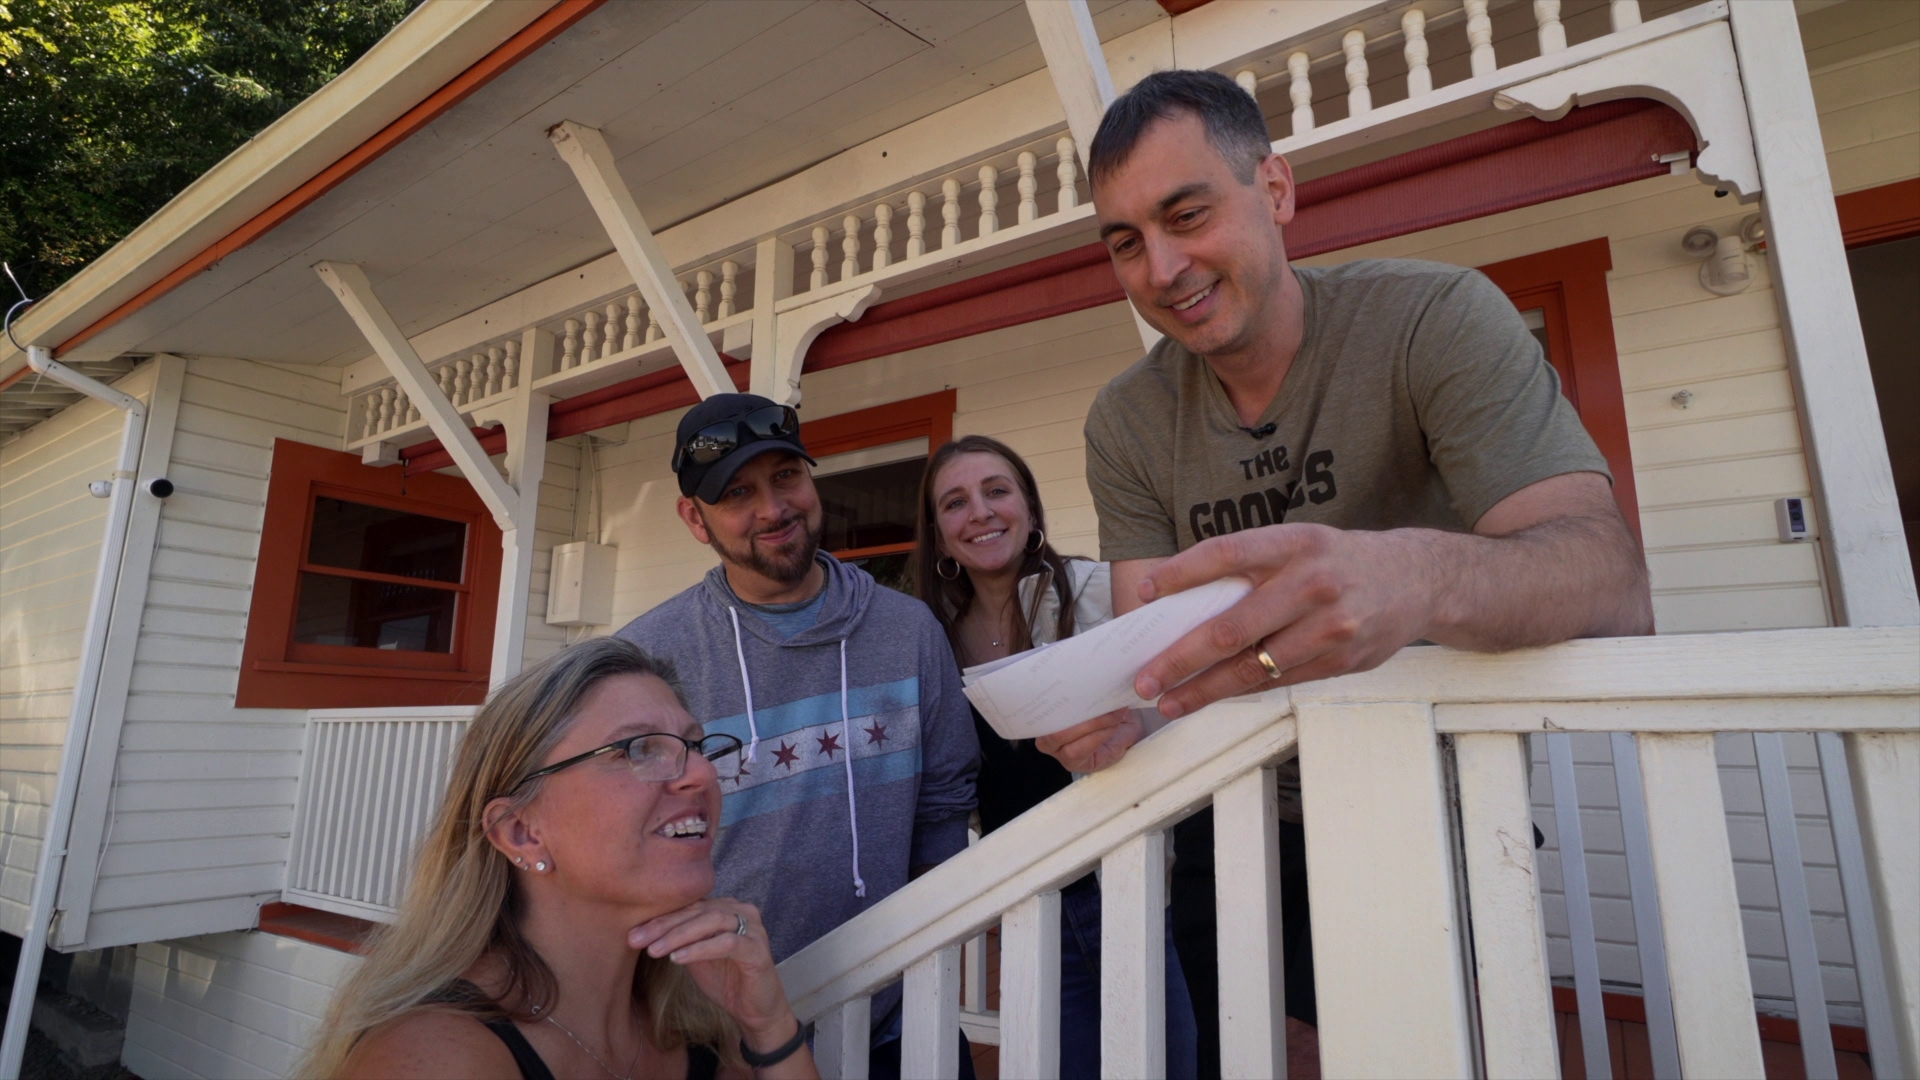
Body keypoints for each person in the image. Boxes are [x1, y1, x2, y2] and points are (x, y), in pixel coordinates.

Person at [1038, 70, 1655, 1076]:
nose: (1162, 268)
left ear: (1275, 189)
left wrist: (1412, 576)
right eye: (1124, 243)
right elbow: (1157, 650)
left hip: (1432, 799)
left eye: (1186, 214)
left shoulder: (1432, 317)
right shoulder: (1127, 418)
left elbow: (1612, 584)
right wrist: (1122, 712)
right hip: (1232, 816)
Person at [615, 393, 981, 1079]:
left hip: (899, 1016)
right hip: (721, 1028)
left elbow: (943, 804)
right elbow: (623, 843)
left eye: (787, 476)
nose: (773, 508)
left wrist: (926, 949)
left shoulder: (908, 633)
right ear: (694, 519)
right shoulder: (647, 659)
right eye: (737, 494)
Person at [305, 637, 817, 1080]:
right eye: (638, 750)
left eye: (694, 746)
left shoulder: (697, 1024)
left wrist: (768, 1026)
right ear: (521, 832)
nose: (702, 775)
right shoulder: (437, 1055)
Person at [912, 434, 1199, 1080]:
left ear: (1031, 508)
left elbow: (1181, 695)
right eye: (955, 502)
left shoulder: (1099, 591)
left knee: (1162, 1062)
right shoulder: (932, 639)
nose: (980, 512)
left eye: (997, 491)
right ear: (938, 532)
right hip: (1029, 900)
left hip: (1125, 883)